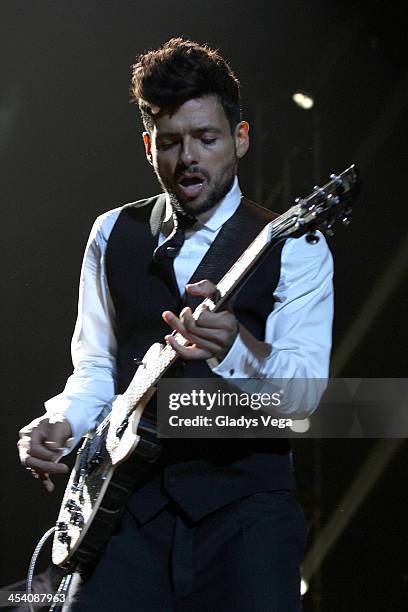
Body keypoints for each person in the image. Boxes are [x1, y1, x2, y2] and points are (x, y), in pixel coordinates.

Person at [18, 38, 333, 611]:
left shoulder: (297, 245)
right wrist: (59, 420)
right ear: (148, 146)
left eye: (207, 138)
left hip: (245, 520)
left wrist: (235, 346)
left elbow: (305, 396)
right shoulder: (112, 233)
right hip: (127, 513)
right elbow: (94, 367)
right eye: (171, 142)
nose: (189, 157)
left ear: (240, 139)